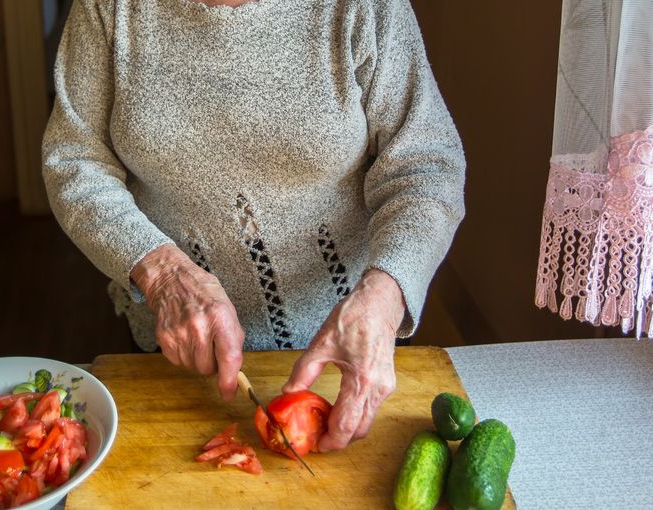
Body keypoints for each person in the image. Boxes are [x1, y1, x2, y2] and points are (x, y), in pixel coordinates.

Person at [42, 0, 465, 451]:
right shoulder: (106, 7)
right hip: (176, 347)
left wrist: (381, 303)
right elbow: (75, 161)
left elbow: (425, 167)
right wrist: (165, 275)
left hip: (344, 353)